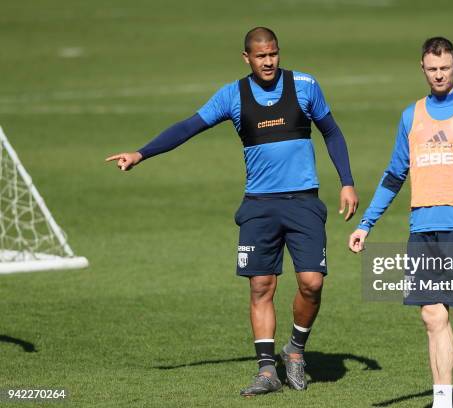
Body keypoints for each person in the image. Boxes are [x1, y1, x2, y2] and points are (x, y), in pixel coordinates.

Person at [106, 27, 358, 397]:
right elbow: (189, 127)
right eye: (261, 56)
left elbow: (332, 132)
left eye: (273, 54)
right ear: (247, 58)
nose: (268, 61)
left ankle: (295, 351)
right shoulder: (232, 96)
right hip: (259, 205)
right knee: (261, 286)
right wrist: (141, 153)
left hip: (303, 201)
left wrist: (347, 181)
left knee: (312, 283)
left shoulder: (305, 85)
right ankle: (267, 370)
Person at [349, 37, 453, 408]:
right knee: (432, 316)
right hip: (422, 228)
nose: (439, 75)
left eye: (445, 68)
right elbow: (394, 175)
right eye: (432, 69)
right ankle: (443, 402)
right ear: (422, 69)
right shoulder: (412, 115)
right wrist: (366, 224)